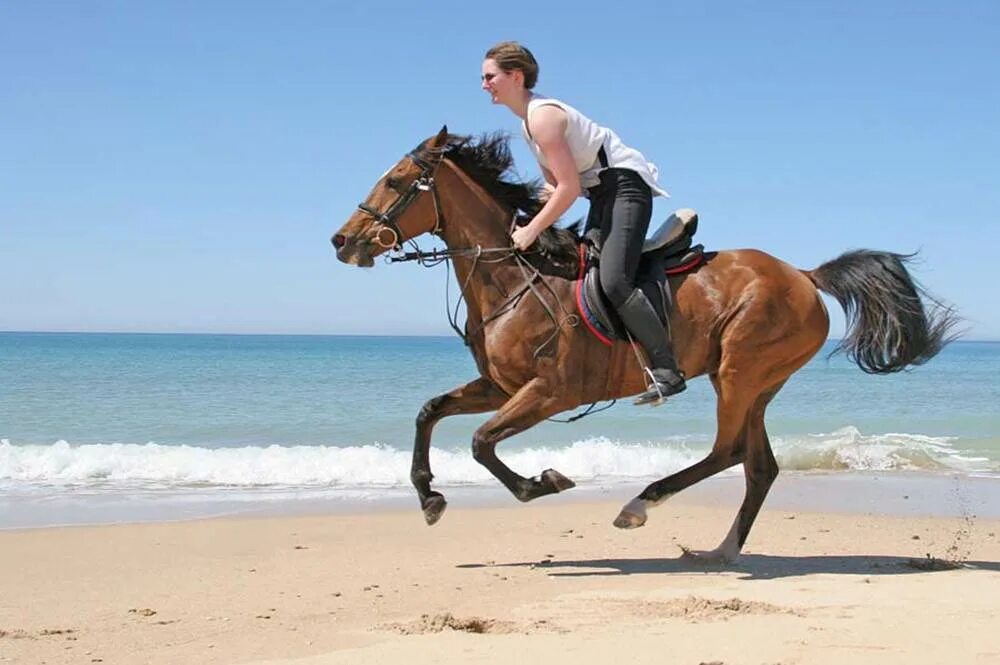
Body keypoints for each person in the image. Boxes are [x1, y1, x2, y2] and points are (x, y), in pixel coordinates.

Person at [481, 41, 686, 405]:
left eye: (490, 77)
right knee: (583, 270)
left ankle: (668, 371)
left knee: (614, 281)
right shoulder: (529, 124)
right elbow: (553, 187)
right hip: (603, 195)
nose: (484, 85)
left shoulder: (543, 117)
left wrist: (533, 230)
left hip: (625, 187)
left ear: (515, 76)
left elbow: (569, 188)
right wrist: (520, 218)